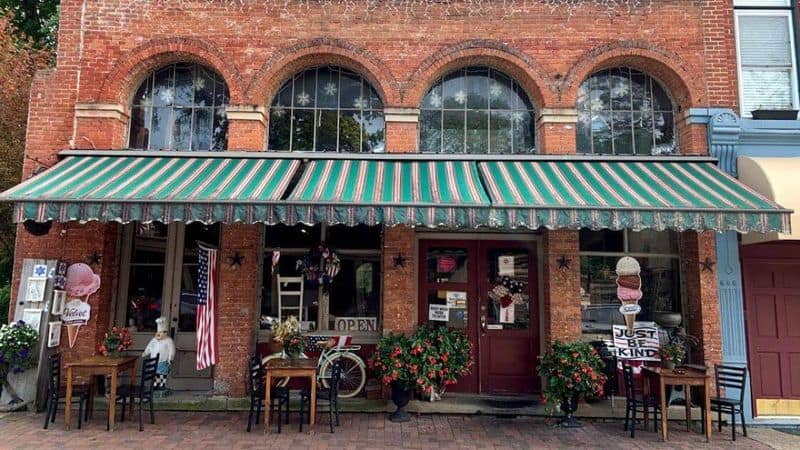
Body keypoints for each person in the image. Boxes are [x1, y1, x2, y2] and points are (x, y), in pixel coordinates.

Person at [143, 317, 176, 392]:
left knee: (162, 373)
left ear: (165, 333)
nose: (159, 334)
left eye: (162, 332)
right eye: (159, 332)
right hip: (154, 360)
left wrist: (170, 358)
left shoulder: (168, 341)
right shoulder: (154, 340)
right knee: (155, 373)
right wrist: (146, 352)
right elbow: (150, 346)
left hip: (163, 360)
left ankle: (161, 385)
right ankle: (155, 385)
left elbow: (172, 350)